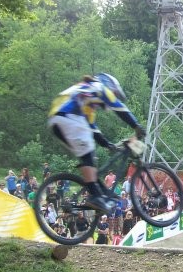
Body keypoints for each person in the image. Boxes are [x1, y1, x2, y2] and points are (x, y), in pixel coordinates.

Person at [47, 73, 145, 213]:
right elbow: (120, 108)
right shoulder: (99, 87)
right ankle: (95, 196)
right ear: (110, 86)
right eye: (115, 93)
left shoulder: (87, 98)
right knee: (89, 152)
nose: (114, 97)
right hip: (67, 116)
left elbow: (93, 128)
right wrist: (136, 126)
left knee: (90, 160)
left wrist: (107, 144)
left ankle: (101, 193)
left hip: (56, 121)